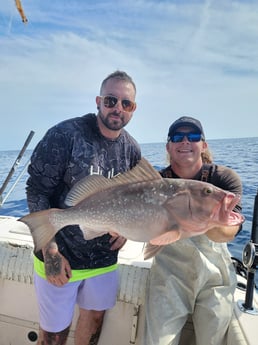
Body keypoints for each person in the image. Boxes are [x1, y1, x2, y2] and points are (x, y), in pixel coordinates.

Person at [26, 70, 141, 345]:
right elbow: (37, 190)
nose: (118, 109)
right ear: (98, 101)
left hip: (103, 261)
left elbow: (134, 202)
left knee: (93, 325)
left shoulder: (132, 150)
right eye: (111, 100)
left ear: (133, 109)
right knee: (54, 335)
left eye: (126, 104)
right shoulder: (65, 134)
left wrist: (126, 230)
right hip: (59, 254)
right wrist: (50, 251)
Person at [144, 116, 243, 345]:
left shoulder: (223, 180)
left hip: (215, 275)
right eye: (177, 137)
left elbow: (231, 231)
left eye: (194, 136)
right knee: (158, 340)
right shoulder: (156, 182)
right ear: (168, 147)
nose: (185, 141)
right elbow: (150, 232)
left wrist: (203, 220)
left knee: (213, 338)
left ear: (204, 145)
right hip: (169, 272)